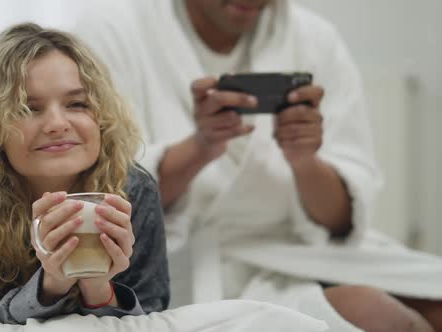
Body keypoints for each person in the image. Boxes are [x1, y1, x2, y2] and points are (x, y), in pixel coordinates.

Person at [70, 0, 442, 331]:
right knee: (382, 316)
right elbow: (106, 203)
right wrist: (201, 146)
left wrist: (304, 159)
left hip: (305, 248)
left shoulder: (313, 37)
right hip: (190, 260)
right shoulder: (112, 30)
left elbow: (342, 219)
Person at [0, 22, 170, 325]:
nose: (57, 124)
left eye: (77, 104)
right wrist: (50, 286)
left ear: (101, 116)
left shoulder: (132, 190)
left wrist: (98, 286)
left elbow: (154, 320)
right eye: (27, 109)